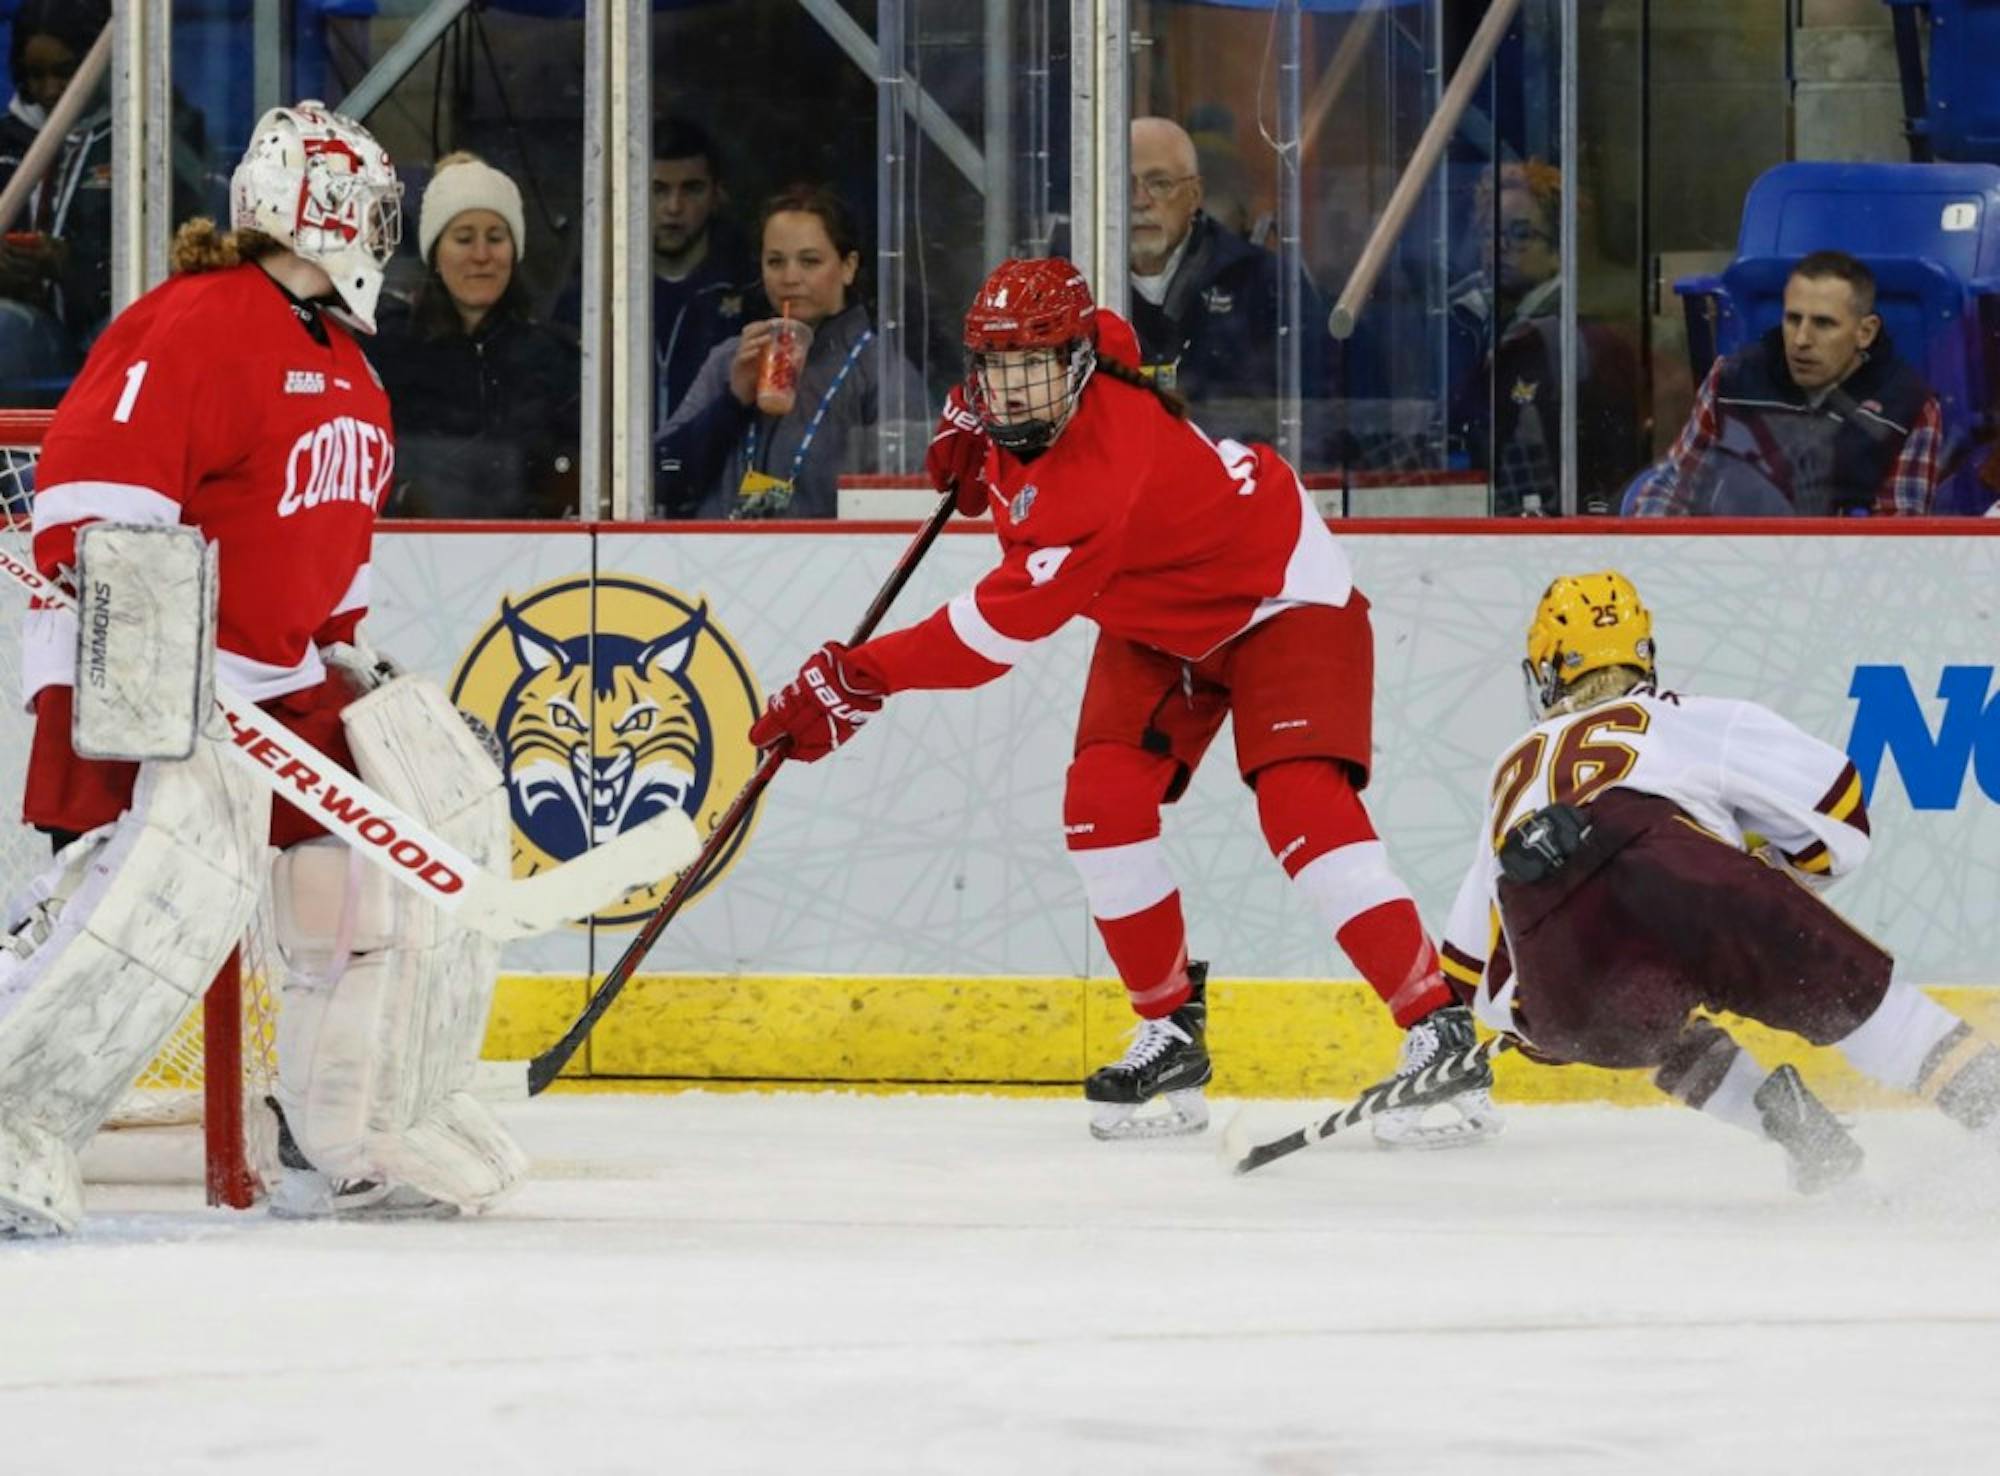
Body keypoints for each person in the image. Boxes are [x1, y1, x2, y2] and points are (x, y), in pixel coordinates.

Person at [746, 257, 1501, 1146]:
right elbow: (1104, 330)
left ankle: (1438, 1031)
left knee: (1301, 809)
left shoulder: (1098, 478)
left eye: (1032, 368)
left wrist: (854, 677)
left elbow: (989, 638)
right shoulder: (1079, 353)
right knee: (1100, 805)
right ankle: (1171, 1032)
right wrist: (968, 426)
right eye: (995, 368)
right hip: (1154, 608)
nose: (1012, 390)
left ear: (1073, 369)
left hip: (1276, 591)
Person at [0, 102, 526, 1235]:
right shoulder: (189, 323)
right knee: (147, 901)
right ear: (329, 208)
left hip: (271, 683)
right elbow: (91, 518)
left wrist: (351, 670)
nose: (385, 230)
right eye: (376, 206)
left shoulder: (347, 365)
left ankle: (339, 1135)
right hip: (143, 678)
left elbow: (327, 569)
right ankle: (11, 1124)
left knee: (360, 893)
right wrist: (159, 687)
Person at [1441, 571, 2000, 1192]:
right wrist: (1768, 880)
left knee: (1660, 1025)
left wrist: (1543, 1023)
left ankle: (1783, 1118)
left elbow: (1468, 964)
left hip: (1562, 958)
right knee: (1866, 1007)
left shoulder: (1511, 770)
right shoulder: (1689, 718)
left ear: (1547, 670)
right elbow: (1837, 811)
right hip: (1683, 873)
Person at [656, 183, 928, 520]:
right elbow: (661, 479)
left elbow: (906, 510)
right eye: (775, 262)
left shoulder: (880, 374)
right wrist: (732, 401)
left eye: (810, 261)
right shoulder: (731, 358)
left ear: (848, 267)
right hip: (719, 561)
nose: (790, 277)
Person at [1630, 251, 1941, 516]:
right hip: (1722, 565)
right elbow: (1672, 485)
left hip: (1832, 578)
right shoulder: (1731, 378)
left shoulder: (1910, 408)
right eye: (1793, 319)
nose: (1801, 340)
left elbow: (1898, 541)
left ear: (1865, 332)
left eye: (1823, 323)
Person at [371, 153, 581, 519]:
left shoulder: (556, 357)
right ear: (435, 253)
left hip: (537, 565)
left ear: (515, 251)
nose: (481, 255)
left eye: (496, 238)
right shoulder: (386, 350)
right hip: (409, 556)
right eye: (464, 239)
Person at [1125, 116, 1333, 461]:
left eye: (1159, 183)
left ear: (1194, 195)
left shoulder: (1266, 283)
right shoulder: (1073, 287)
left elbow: (1318, 414)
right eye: (1125, 184)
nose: (1140, 201)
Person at [1446, 160, 1642, 516]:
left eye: (1521, 235)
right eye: (1490, 233)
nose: (1501, 246)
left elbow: (1611, 469)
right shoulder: (1463, 324)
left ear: (1559, 248)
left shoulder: (1585, 341)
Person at [0, 1, 112, 358]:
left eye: (66, 73)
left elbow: (167, 258)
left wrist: (68, 265)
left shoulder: (149, 137)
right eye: (35, 75)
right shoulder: (6, 140)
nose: (49, 91)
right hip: (25, 335)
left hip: (104, 327)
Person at [648, 117, 756, 452]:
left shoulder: (751, 292)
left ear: (716, 195)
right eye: (658, 190)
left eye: (691, 189)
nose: (673, 208)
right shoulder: (595, 294)